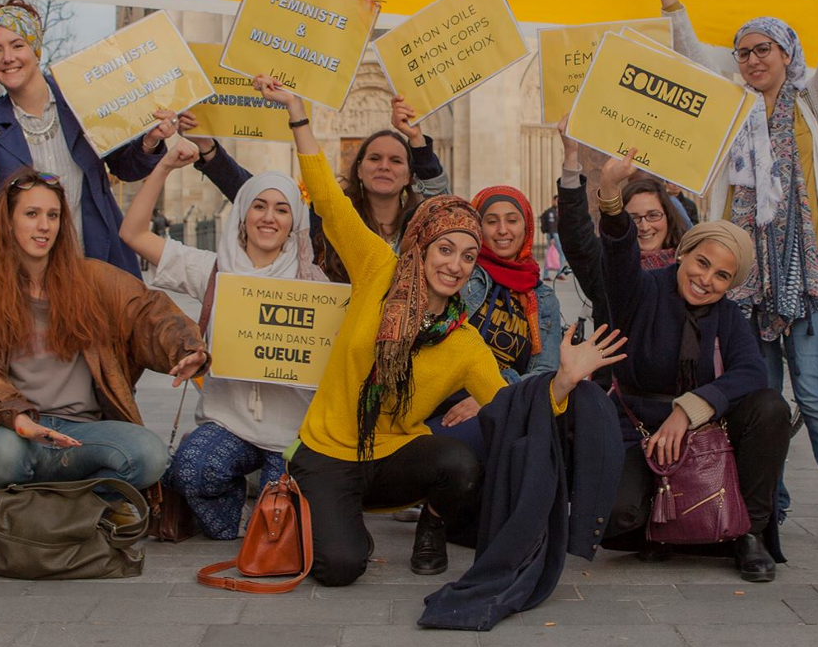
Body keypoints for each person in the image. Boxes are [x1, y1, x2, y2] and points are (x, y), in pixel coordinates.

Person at [252, 77, 624, 586]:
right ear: (422, 245)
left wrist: (560, 384)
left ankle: (433, 521)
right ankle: (331, 511)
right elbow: (326, 198)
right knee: (340, 567)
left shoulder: (464, 341)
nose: (455, 265)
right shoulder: (376, 269)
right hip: (328, 450)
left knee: (461, 462)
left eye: (468, 256)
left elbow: (508, 405)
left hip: (392, 455)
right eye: (445, 250)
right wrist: (297, 112)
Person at [647, 0, 818, 556]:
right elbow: (690, 57)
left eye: (763, 51)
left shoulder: (812, 101)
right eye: (744, 52)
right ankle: (764, 509)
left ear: (785, 55)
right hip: (742, 277)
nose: (751, 60)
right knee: (760, 396)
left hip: (806, 271)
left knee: (816, 392)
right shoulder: (729, 109)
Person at [0, 170, 208, 533]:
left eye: (53, 216)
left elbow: (149, 311)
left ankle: (71, 509)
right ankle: (26, 515)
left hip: (84, 434)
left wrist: (186, 348)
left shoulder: (92, 279)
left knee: (151, 455)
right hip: (19, 431)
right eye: (32, 214)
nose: (44, 226)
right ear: (8, 221)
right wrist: (20, 421)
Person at [596, 152, 791, 581]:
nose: (706, 280)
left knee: (770, 406)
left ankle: (749, 533)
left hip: (704, 432)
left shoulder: (727, 315)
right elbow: (618, 255)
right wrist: (610, 193)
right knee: (616, 518)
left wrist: (688, 410)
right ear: (683, 254)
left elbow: (751, 373)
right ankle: (666, 528)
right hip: (638, 428)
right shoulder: (641, 292)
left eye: (722, 276)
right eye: (702, 263)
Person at [119, 141, 325, 539]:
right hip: (229, 423)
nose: (269, 218)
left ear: (294, 222)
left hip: (293, 434)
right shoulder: (214, 269)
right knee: (192, 470)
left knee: (279, 525)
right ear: (242, 214)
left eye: (282, 209)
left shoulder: (314, 283)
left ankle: (268, 511)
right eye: (259, 206)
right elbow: (133, 233)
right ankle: (229, 513)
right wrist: (163, 166)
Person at [0, 1, 177, 276]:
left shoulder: (81, 102)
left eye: (17, 45)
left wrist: (150, 142)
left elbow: (126, 167)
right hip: (27, 275)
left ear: (36, 50)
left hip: (95, 263)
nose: (7, 58)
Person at [188, 95, 449, 283]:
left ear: (408, 176)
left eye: (396, 161)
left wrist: (416, 139)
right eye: (374, 158)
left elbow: (444, 206)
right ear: (358, 169)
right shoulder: (327, 219)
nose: (384, 166)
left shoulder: (420, 223)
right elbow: (256, 193)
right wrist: (209, 150)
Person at [427, 184, 562, 457]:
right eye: (491, 221)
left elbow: (544, 371)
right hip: (445, 400)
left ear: (526, 228)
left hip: (503, 404)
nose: (502, 230)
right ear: (478, 228)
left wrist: (492, 394)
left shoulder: (543, 297)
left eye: (512, 220)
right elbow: (440, 210)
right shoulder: (460, 273)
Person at [553, 113, 689, 329]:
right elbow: (575, 233)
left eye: (653, 215)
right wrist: (571, 154)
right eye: (633, 218)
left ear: (669, 218)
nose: (644, 226)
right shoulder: (606, 272)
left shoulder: (691, 269)